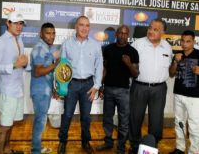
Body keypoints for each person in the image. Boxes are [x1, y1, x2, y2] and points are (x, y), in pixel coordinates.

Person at [57, 16, 103, 154]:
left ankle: (85, 142)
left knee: (86, 117)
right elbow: (62, 67)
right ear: (76, 27)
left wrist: (96, 86)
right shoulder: (66, 44)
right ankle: (63, 142)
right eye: (81, 25)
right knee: (67, 115)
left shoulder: (95, 45)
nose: (84, 28)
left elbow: (99, 67)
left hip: (88, 85)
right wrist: (61, 87)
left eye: (87, 25)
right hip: (72, 84)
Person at [129, 18, 172, 153]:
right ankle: (135, 146)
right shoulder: (137, 44)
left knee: (156, 120)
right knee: (135, 118)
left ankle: (152, 147)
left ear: (163, 32)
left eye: (155, 29)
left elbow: (170, 69)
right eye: (150, 28)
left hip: (159, 89)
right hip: (139, 87)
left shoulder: (167, 46)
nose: (151, 31)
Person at [96, 25, 139, 154]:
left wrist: (129, 64)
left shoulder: (132, 52)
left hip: (124, 91)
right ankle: (108, 142)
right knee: (107, 118)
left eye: (125, 33)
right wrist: (101, 86)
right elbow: (105, 69)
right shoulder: (108, 49)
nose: (123, 36)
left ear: (128, 35)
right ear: (116, 34)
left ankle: (121, 147)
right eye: (120, 33)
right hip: (108, 89)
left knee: (123, 121)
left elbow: (136, 74)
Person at [0, 11, 28, 154]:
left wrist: (24, 64)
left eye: (21, 24)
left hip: (18, 89)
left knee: (11, 124)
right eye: (15, 23)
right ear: (8, 23)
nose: (19, 27)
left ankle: (6, 150)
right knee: (4, 126)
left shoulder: (19, 40)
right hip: (7, 91)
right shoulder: (0, 42)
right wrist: (14, 65)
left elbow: (21, 63)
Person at [30, 22, 60, 154]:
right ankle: (35, 150)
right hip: (40, 91)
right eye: (48, 33)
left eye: (53, 33)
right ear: (41, 34)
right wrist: (55, 65)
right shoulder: (39, 48)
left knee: (41, 120)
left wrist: (53, 88)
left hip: (45, 90)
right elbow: (37, 72)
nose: (51, 36)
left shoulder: (48, 48)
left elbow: (47, 71)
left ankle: (37, 148)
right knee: (40, 121)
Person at [169, 30, 199, 154]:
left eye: (188, 41)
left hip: (194, 96)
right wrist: (175, 61)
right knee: (179, 122)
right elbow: (171, 74)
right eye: (183, 41)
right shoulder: (177, 54)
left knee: (194, 125)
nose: (185, 44)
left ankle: (194, 151)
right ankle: (180, 148)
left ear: (194, 41)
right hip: (179, 94)